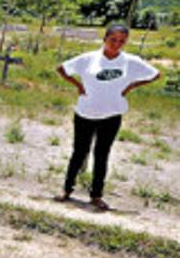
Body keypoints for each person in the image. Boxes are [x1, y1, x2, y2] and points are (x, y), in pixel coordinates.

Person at [55, 22, 159, 211]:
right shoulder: (88, 59)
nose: (117, 44)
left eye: (122, 41)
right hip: (85, 113)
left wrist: (131, 86)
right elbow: (62, 69)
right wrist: (78, 86)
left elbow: (154, 74)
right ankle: (66, 189)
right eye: (113, 39)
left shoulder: (131, 61)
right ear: (105, 39)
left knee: (101, 155)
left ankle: (96, 195)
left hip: (112, 115)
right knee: (79, 152)